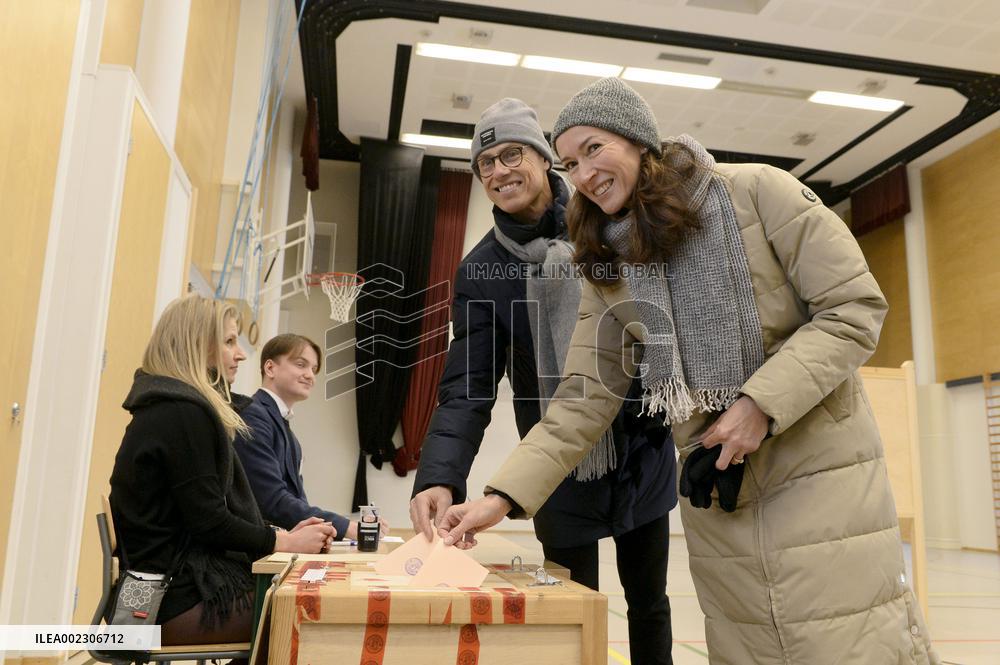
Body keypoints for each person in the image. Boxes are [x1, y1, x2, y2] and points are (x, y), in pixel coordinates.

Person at [438, 79, 939, 664]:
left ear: (637, 138)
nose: (584, 173)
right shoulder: (609, 265)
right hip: (719, 489)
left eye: (594, 148)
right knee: (748, 643)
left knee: (846, 640)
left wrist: (757, 406)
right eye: (571, 162)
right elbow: (579, 402)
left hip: (820, 480)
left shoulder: (756, 193)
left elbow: (855, 309)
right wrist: (500, 498)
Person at [409, 98, 675, 664]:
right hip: (554, 465)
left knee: (649, 603)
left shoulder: (606, 220)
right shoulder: (481, 270)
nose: (500, 171)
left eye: (512, 154)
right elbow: (468, 387)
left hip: (640, 449)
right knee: (570, 612)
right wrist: (438, 477)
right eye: (486, 164)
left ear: (544, 159)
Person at [109, 295, 336, 646]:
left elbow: (203, 516)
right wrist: (285, 540)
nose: (241, 354)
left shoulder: (166, 405)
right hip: (164, 605)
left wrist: (278, 534)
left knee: (303, 600)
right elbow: (210, 521)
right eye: (230, 341)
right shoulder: (183, 414)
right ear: (198, 345)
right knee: (312, 613)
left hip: (167, 591)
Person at [234, 333, 384, 542]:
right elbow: (271, 500)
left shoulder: (287, 432)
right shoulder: (253, 415)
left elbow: (296, 501)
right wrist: (343, 527)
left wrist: (321, 531)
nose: (310, 375)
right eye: (300, 364)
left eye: (313, 369)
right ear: (270, 368)